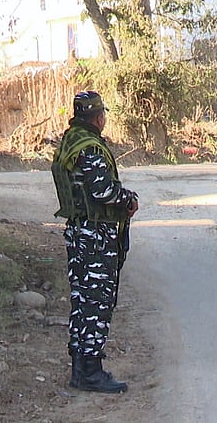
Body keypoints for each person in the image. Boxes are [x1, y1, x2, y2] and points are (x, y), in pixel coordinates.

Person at [51, 91, 139, 393]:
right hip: (95, 236)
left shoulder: (70, 140)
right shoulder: (90, 147)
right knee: (96, 303)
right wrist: (126, 198)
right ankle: (90, 372)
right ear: (98, 117)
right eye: (103, 115)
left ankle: (80, 369)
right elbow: (102, 191)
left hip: (79, 231)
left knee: (82, 300)